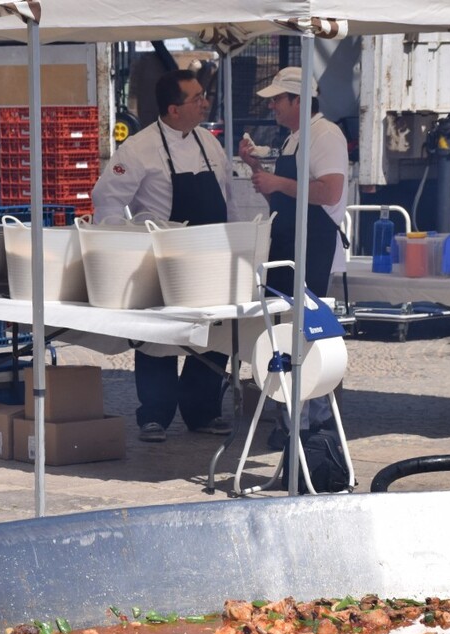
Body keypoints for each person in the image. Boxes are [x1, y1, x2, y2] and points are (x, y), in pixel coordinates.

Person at [92, 68, 237, 444]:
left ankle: (202, 412)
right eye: (197, 98)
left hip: (212, 257)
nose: (205, 103)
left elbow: (228, 197)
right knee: (157, 339)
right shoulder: (138, 148)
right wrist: (125, 245)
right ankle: (154, 416)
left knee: (214, 335)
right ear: (174, 109)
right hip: (162, 260)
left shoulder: (210, 143)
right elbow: (107, 199)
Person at [238, 66, 349, 298]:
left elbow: (330, 193)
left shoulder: (325, 134)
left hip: (313, 253)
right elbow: (281, 201)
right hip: (286, 249)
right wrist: (256, 168)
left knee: (304, 319)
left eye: (277, 99)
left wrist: (278, 182)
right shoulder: (292, 138)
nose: (271, 106)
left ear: (298, 100)